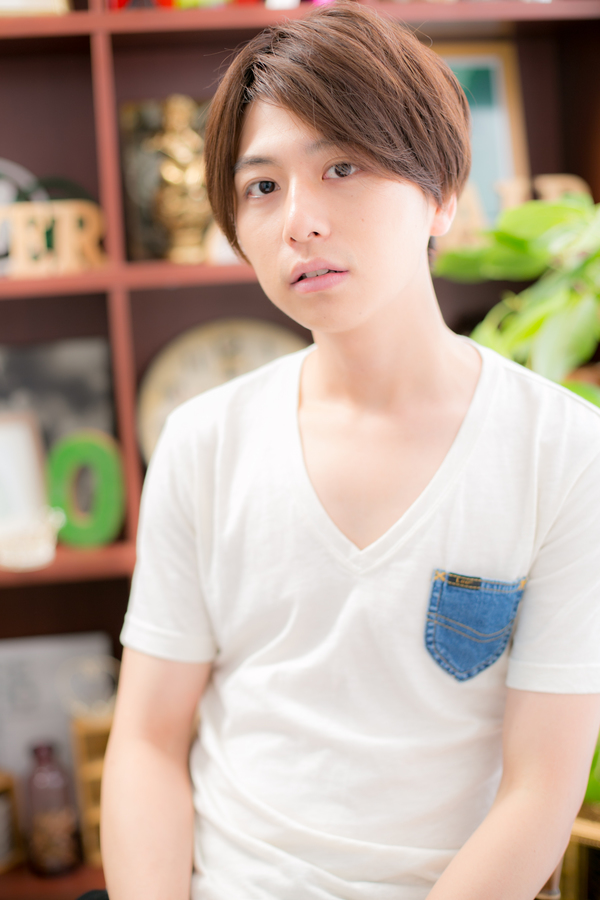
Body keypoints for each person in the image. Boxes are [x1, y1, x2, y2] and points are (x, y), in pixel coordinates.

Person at [99, 4, 600, 900]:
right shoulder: (203, 442)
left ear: (441, 195)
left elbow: (540, 790)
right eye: (263, 187)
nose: (300, 220)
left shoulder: (563, 452)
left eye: (342, 167)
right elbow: (146, 742)